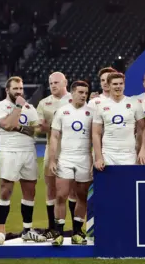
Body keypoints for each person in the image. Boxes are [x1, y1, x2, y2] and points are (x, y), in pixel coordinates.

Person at [0, 76, 46, 245]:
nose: (19, 91)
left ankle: (27, 230)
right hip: (10, 152)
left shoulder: (29, 108)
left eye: (21, 88)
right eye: (15, 88)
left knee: (30, 191)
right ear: (7, 90)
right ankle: (1, 230)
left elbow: (37, 130)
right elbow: (7, 125)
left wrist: (21, 127)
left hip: (29, 151)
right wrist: (17, 107)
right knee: (5, 191)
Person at [48, 81, 94, 246]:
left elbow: (96, 137)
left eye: (86, 92)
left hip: (84, 158)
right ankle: (59, 233)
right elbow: (54, 137)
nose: (83, 95)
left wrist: (94, 158)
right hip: (66, 158)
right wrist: (53, 159)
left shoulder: (91, 112)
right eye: (80, 92)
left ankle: (77, 232)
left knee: (82, 196)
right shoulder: (62, 112)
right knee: (61, 195)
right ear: (73, 92)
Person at [36, 72, 72, 239]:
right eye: (51, 83)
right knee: (51, 188)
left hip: (72, 150)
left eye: (57, 82)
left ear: (65, 82)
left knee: (74, 191)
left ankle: (75, 227)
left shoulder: (74, 99)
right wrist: (41, 127)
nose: (53, 85)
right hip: (51, 150)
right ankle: (52, 226)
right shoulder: (44, 103)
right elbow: (38, 129)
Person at [93, 73, 145, 169]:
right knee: (110, 184)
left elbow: (144, 128)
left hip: (129, 154)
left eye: (121, 83)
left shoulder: (134, 103)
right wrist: (98, 157)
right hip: (108, 154)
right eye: (115, 84)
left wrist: (143, 149)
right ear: (109, 85)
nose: (118, 86)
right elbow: (96, 133)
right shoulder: (100, 106)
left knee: (128, 184)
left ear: (124, 85)